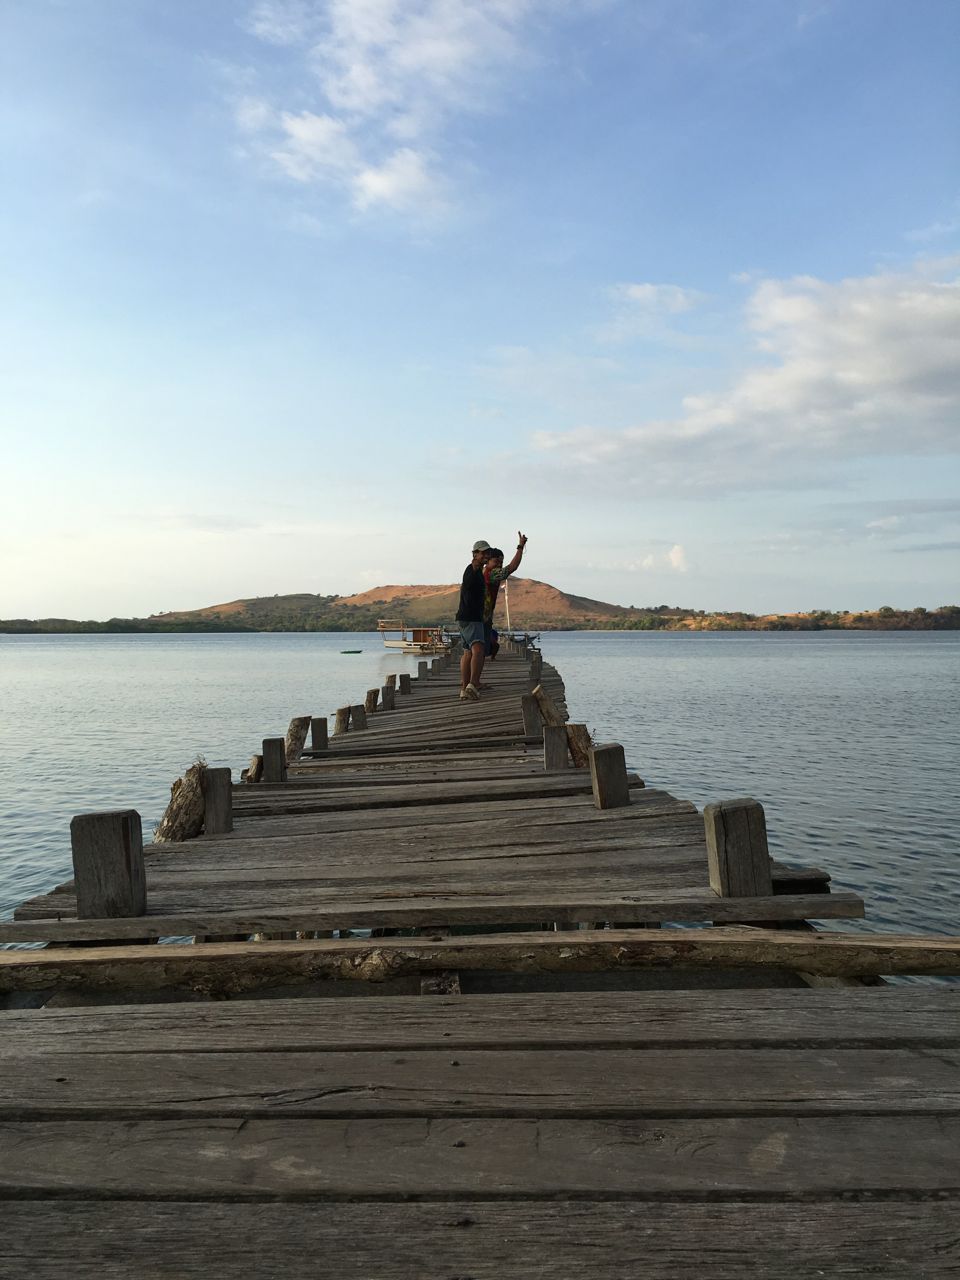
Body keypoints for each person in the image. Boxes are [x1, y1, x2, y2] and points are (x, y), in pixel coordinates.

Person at [482, 534, 528, 667]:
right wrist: (520, 547)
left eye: (501, 562)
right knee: (480, 648)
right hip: (482, 616)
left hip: (484, 615)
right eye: (496, 562)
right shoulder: (490, 574)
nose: (499, 565)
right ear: (487, 561)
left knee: (482, 646)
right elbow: (511, 568)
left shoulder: (482, 572)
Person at [456, 539, 491, 701]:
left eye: (487, 553)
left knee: (468, 652)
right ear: (475, 554)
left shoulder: (473, 571)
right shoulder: (473, 570)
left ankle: (464, 688)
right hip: (471, 617)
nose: (485, 555)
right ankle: (473, 684)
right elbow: (468, 590)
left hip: (464, 617)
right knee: (478, 649)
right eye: (482, 553)